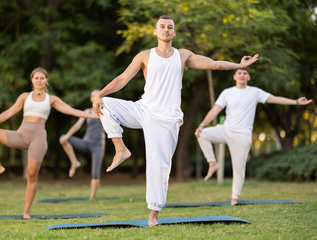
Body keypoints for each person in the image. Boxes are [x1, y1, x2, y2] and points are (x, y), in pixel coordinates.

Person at [92, 15, 259, 226]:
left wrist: (238, 65)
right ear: (155, 31)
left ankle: (153, 213)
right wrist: (100, 93)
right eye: (162, 27)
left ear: (174, 32)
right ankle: (120, 148)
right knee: (104, 103)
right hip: (143, 109)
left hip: (166, 119)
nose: (166, 30)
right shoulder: (144, 56)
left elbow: (213, 64)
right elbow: (123, 79)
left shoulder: (182, 55)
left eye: (170, 27)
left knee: (159, 167)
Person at [0, 67, 98, 219]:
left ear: (46, 80)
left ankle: (26, 212)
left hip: (38, 138)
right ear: (32, 80)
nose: (39, 80)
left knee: (32, 175)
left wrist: (94, 116)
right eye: (36, 78)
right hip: (21, 135)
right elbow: (9, 112)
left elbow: (71, 110)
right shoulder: (24, 97)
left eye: (42, 78)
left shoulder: (51, 99)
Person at [195, 68, 312, 206]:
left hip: (242, 136)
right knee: (201, 134)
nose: (242, 75)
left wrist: (296, 102)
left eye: (245, 73)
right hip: (226, 130)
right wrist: (202, 125)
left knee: (238, 168)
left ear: (248, 77)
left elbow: (275, 99)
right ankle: (213, 163)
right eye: (239, 73)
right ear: (234, 77)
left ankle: (234, 198)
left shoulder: (255, 92)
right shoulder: (227, 93)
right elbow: (215, 110)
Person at [59, 89, 106, 200]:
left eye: (97, 95)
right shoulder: (87, 111)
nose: (94, 97)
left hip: (98, 145)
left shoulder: (106, 111)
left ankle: (92, 197)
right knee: (62, 138)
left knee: (95, 172)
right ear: (91, 99)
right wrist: (67, 136)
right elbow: (77, 126)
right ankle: (74, 162)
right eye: (92, 95)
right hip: (86, 142)